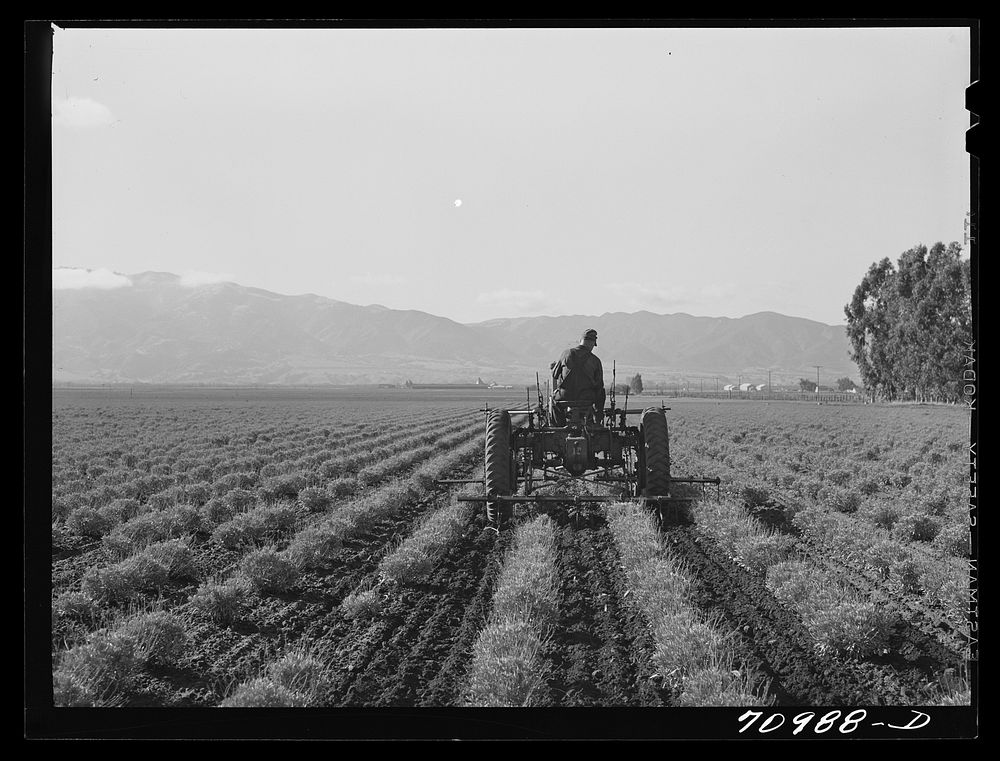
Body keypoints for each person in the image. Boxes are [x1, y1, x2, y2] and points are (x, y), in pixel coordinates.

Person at [550, 328, 606, 425]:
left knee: (554, 402)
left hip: (565, 396)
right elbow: (599, 384)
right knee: (601, 392)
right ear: (593, 343)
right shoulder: (595, 360)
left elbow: (555, 375)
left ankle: (559, 426)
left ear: (581, 341)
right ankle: (597, 420)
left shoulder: (566, 354)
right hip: (587, 397)